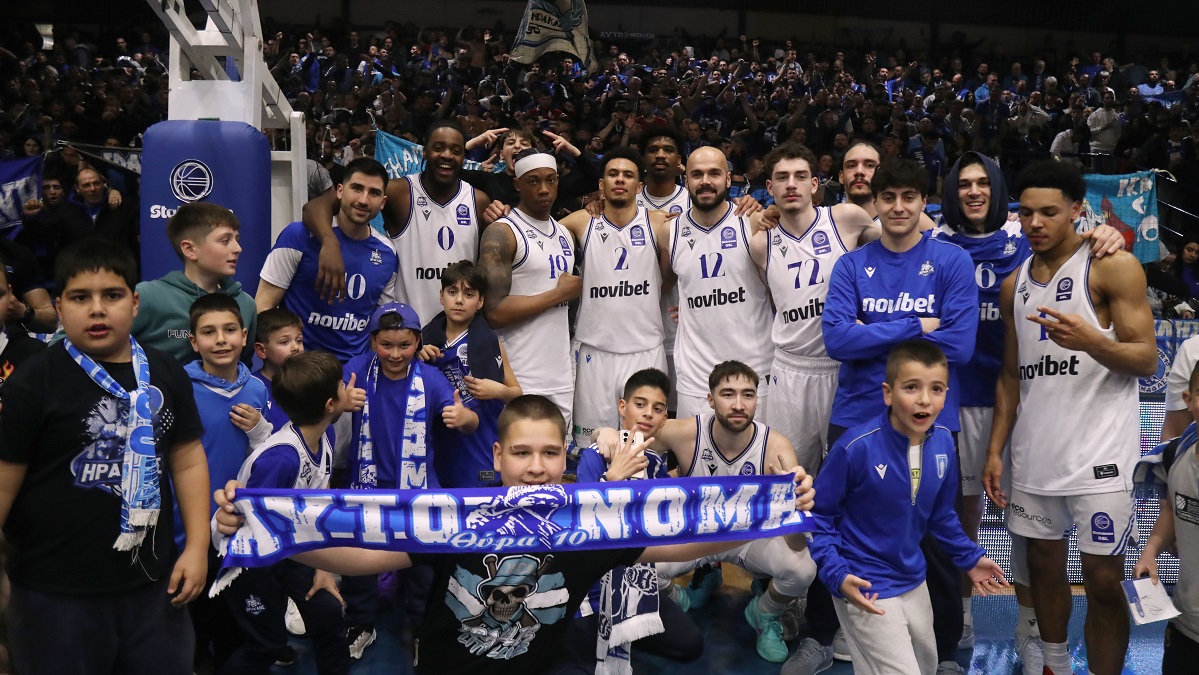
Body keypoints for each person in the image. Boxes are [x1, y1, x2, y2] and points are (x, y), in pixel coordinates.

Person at [213, 393, 814, 674]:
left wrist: (771, 511)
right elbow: (363, 557)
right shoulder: (454, 518)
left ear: (565, 457)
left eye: (550, 453)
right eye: (521, 453)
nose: (535, 467)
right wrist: (265, 527)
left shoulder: (584, 522)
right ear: (498, 457)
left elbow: (678, 542)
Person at [933, 151, 1124, 671]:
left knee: (1027, 527)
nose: (974, 192)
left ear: (999, 190)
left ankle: (1031, 626)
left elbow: (1078, 236)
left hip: (1023, 401)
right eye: (964, 184)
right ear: (951, 192)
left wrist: (1105, 233)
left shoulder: (1026, 237)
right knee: (961, 514)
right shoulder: (935, 243)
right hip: (958, 398)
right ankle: (962, 614)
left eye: (983, 183)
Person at [0, 238, 210, 674]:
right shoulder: (34, 380)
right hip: (55, 592)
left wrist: (196, 547)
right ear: (59, 308)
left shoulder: (165, 370)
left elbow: (188, 458)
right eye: (80, 298)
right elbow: (4, 480)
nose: (97, 310)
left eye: (112, 295)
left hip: (153, 584)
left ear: (135, 303)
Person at [983, 160, 1157, 675]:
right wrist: (995, 449)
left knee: (1103, 581)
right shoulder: (1014, 285)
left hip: (1101, 458)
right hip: (1035, 455)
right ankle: (1053, 665)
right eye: (1026, 212)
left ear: (1077, 210)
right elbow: (1010, 375)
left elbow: (1146, 358)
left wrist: (1092, 342)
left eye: (1049, 212)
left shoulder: (1111, 266)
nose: (1035, 223)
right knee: (1042, 568)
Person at [822, 158, 979, 674]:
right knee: (842, 526)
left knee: (935, 534)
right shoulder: (851, 266)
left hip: (931, 422)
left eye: (909, 197)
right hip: (858, 415)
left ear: (923, 202)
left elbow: (959, 343)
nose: (897, 207)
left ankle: (946, 650)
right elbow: (838, 340)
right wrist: (915, 325)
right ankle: (830, 632)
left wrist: (873, 331)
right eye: (887, 197)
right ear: (874, 202)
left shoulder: (951, 261)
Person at [594, 361, 815, 664]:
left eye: (747, 395)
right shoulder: (686, 432)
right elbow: (631, 432)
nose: (738, 404)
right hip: (694, 536)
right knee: (638, 566)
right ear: (711, 400)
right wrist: (604, 432)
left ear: (757, 400)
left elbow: (797, 544)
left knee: (803, 570)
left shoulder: (776, 446)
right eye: (728, 394)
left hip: (747, 539)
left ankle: (763, 613)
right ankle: (682, 597)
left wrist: (798, 505)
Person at [809, 340, 1007, 675]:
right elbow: (818, 518)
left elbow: (941, 516)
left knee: (925, 668)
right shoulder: (854, 448)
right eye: (911, 387)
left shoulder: (944, 443)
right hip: (864, 583)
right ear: (888, 393)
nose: (925, 399)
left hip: (914, 579)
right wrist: (836, 574)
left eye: (936, 389)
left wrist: (970, 558)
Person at [338, 302, 477, 657]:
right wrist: (341, 401)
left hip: (420, 492)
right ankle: (361, 624)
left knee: (424, 572)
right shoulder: (357, 369)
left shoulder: (430, 378)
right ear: (373, 342)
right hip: (367, 488)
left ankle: (420, 631)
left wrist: (463, 418)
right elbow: (326, 401)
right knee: (359, 565)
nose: (396, 354)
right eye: (386, 345)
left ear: (417, 342)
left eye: (405, 345)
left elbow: (468, 419)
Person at [220, 350, 351, 675]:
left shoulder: (325, 435)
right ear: (330, 404)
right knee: (266, 645)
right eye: (342, 384)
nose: (348, 386)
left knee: (328, 612)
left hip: (292, 550)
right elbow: (253, 525)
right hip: (254, 562)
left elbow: (319, 507)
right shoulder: (282, 459)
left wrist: (323, 568)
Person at [570, 368, 703, 668]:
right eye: (640, 404)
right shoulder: (596, 455)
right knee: (583, 658)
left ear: (664, 418)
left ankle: (629, 629)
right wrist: (613, 478)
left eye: (657, 409)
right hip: (593, 589)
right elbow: (584, 522)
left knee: (690, 644)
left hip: (636, 585)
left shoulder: (655, 464)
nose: (647, 414)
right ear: (623, 407)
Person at [303, 120, 493, 320]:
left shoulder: (478, 201)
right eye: (438, 148)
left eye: (456, 150)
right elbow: (314, 207)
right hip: (407, 332)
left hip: (460, 331)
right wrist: (329, 241)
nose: (447, 155)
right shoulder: (399, 192)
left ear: (463, 157)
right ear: (425, 152)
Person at [181, 293, 272, 672]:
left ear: (245, 336)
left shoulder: (257, 389)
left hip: (239, 526)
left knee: (237, 624)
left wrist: (261, 430)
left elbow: (267, 458)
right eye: (209, 332)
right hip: (189, 527)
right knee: (193, 621)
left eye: (230, 330)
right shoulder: (179, 387)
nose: (220, 340)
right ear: (193, 341)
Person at [558, 147, 669, 446]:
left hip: (646, 350)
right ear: (601, 184)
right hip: (596, 353)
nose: (620, 180)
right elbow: (536, 229)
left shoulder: (660, 223)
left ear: (639, 186)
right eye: (613, 174)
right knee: (593, 447)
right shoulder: (580, 222)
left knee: (646, 448)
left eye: (628, 175)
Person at [256, 157, 400, 363]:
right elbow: (264, 306)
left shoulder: (387, 253)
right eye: (357, 188)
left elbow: (380, 323)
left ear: (383, 202)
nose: (363, 200)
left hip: (353, 373)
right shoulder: (298, 236)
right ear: (340, 191)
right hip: (299, 368)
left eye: (374, 193)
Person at [478, 150, 580, 428]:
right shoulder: (503, 232)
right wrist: (559, 294)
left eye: (551, 180)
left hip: (560, 374)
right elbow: (494, 312)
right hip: (518, 374)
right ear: (517, 184)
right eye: (533, 181)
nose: (544, 189)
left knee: (556, 452)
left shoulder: (565, 234)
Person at [669, 147, 773, 418]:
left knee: (758, 446)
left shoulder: (753, 221)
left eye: (714, 173)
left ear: (728, 180)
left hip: (752, 370)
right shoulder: (668, 230)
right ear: (686, 181)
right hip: (695, 377)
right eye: (697, 174)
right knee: (694, 447)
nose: (705, 181)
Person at [420, 260, 522, 488]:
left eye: (468, 294)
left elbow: (517, 394)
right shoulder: (424, 340)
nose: (459, 300)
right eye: (452, 292)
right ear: (441, 296)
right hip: (441, 442)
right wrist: (417, 356)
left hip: (481, 443)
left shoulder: (491, 342)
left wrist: (498, 390)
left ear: (480, 302)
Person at [120, 202, 258, 365]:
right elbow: (111, 351)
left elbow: (244, 366)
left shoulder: (245, 303)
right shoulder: (148, 297)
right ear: (190, 249)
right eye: (225, 240)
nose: (238, 248)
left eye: (237, 239)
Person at [1135, 362, 1199, 675]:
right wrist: (1151, 550)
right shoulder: (1175, 455)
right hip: (1186, 628)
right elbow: (1173, 509)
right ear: (1189, 399)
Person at [251, 307, 305, 431]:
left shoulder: (310, 383)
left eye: (299, 340)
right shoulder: (252, 388)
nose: (296, 347)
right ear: (261, 350)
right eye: (284, 342)